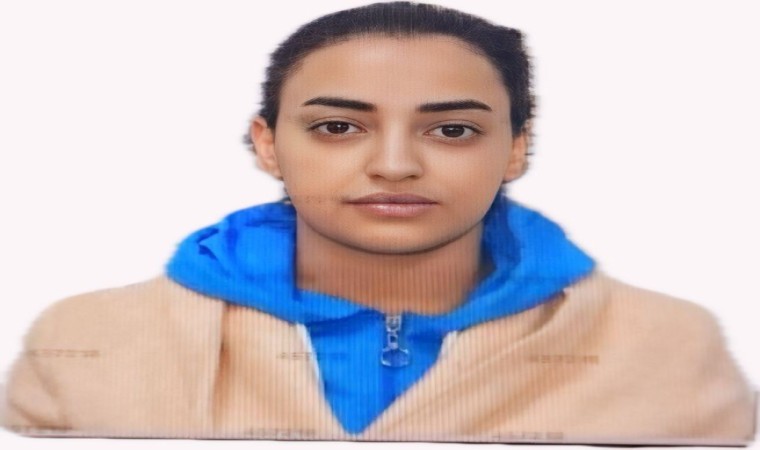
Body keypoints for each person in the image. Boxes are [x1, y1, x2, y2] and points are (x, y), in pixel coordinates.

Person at [2, 1, 756, 445]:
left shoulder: (669, 347)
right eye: (338, 127)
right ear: (268, 144)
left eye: (452, 130)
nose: (394, 166)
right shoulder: (87, 344)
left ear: (516, 148)